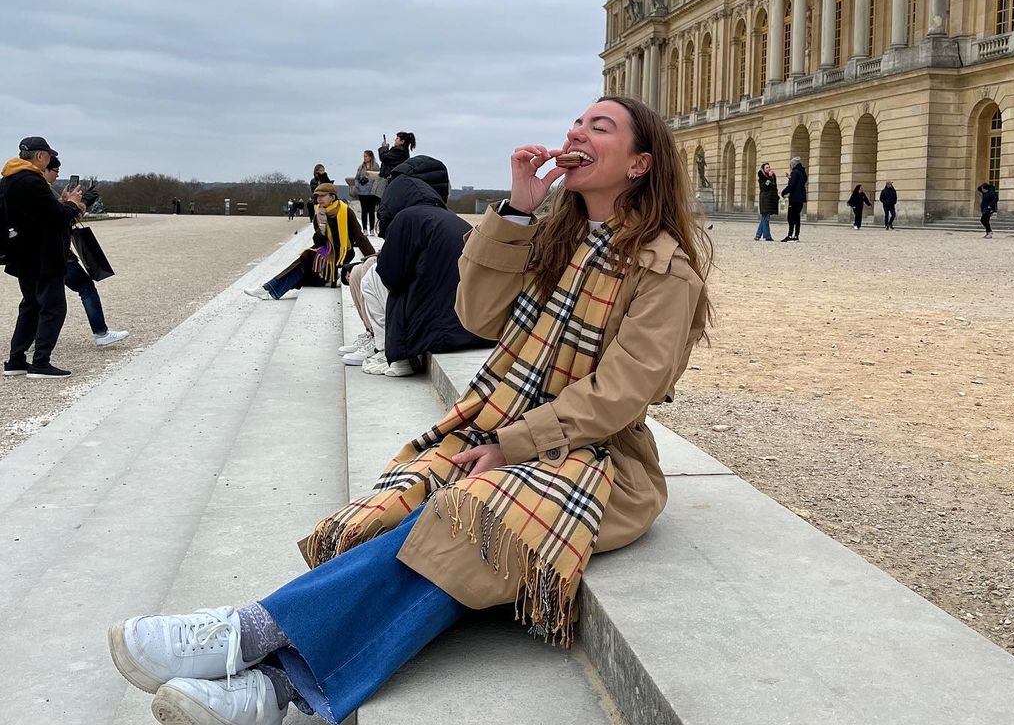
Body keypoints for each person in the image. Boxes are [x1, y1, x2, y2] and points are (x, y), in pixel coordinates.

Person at [108, 95, 711, 725]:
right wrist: (515, 212)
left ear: (640, 164)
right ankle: (269, 689)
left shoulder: (665, 270)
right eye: (577, 122)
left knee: (472, 515)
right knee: (414, 499)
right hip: (506, 422)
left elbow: (621, 392)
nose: (577, 131)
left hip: (600, 458)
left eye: (600, 126)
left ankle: (247, 636)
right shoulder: (552, 236)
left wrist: (513, 445)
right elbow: (477, 315)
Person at [341, 156, 492, 377]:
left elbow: (390, 277)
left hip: (439, 332)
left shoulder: (407, 217)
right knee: (374, 270)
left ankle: (390, 354)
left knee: (372, 276)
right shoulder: (449, 218)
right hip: (474, 328)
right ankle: (382, 345)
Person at [2, 137, 83, 379]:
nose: (50, 160)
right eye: (48, 156)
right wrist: (72, 204)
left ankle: (16, 360)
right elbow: (57, 217)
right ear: (39, 156)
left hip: (21, 254)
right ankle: (41, 362)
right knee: (53, 307)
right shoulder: (32, 181)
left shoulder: (8, 179)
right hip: (44, 255)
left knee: (30, 305)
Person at [42, 157, 129, 348]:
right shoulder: (43, 189)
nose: (57, 175)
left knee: (37, 298)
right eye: (55, 170)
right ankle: (101, 333)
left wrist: (68, 201)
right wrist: (79, 204)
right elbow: (61, 218)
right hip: (57, 254)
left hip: (41, 254)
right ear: (45, 169)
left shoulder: (39, 188)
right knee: (86, 288)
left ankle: (29, 339)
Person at [246, 184, 374, 300]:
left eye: (322, 196)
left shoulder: (346, 212)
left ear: (332, 197)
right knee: (305, 263)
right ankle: (270, 288)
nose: (318, 199)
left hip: (343, 253)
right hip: (325, 249)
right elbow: (318, 241)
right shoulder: (319, 214)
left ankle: (269, 288)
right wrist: (321, 229)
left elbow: (359, 237)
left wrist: (372, 258)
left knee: (307, 259)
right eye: (317, 196)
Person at [780, 156, 808, 242]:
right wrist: (790, 178)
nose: (790, 167)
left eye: (790, 165)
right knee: (797, 217)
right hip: (800, 198)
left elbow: (791, 185)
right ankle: (796, 235)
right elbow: (800, 182)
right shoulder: (802, 172)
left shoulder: (795, 172)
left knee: (791, 217)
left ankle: (790, 235)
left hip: (794, 198)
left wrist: (783, 192)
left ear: (793, 165)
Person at [352, 151, 379, 236]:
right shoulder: (361, 167)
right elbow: (356, 178)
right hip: (362, 192)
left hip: (372, 192)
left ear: (370, 157)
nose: (364, 158)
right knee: (364, 211)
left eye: (366, 156)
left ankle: (371, 229)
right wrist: (357, 186)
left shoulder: (376, 166)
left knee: (371, 211)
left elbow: (378, 178)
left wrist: (375, 188)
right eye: (364, 156)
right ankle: (364, 229)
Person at [755, 162, 778, 241]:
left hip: (770, 199)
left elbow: (774, 187)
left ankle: (758, 235)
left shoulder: (772, 176)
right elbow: (764, 187)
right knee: (766, 218)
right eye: (767, 168)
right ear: (764, 170)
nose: (769, 169)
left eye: (769, 167)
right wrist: (770, 178)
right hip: (765, 199)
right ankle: (767, 236)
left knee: (764, 218)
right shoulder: (762, 178)